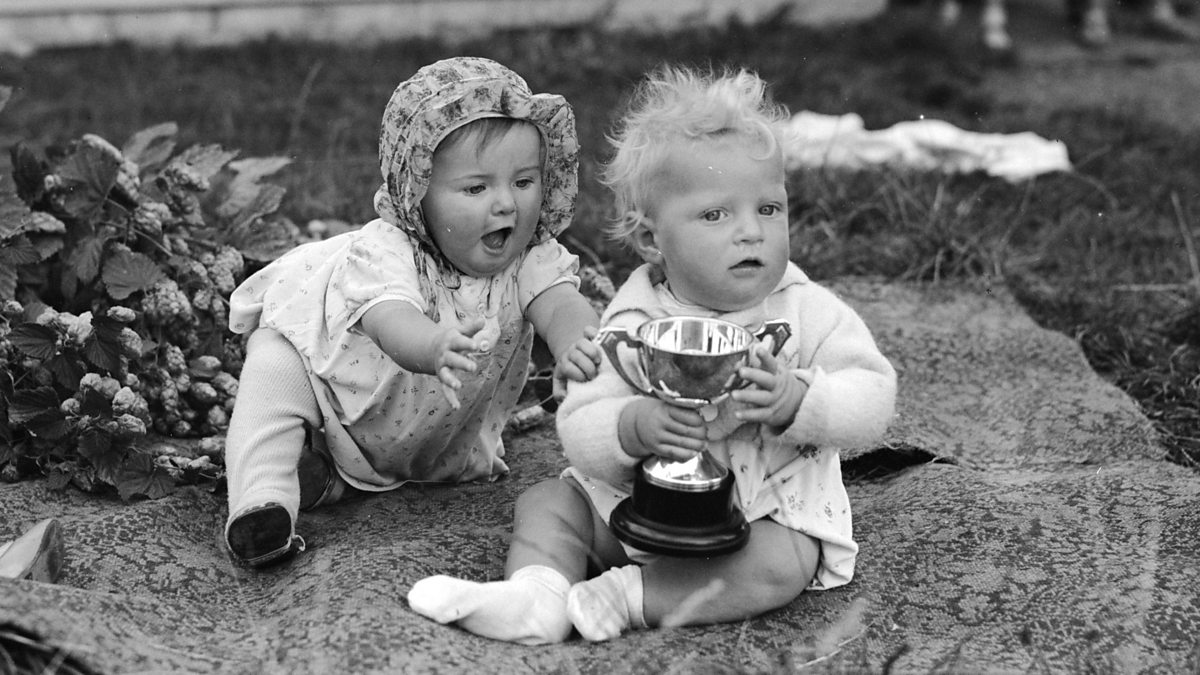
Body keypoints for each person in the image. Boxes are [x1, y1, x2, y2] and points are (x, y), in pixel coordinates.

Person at [407, 65, 898, 644]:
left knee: (784, 564)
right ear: (650, 239)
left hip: (757, 515)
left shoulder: (804, 309)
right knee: (550, 501)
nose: (751, 232)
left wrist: (801, 402)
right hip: (636, 507)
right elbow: (581, 423)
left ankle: (624, 597)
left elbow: (873, 394)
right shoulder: (633, 319)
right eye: (715, 214)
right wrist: (631, 427)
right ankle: (538, 594)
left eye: (769, 208)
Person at [221, 56, 602, 568]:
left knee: (405, 475)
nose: (506, 204)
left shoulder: (529, 258)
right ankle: (263, 502)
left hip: (434, 441)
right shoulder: (389, 250)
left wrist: (579, 346)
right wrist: (434, 344)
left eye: (524, 181)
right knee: (274, 364)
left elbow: (562, 305)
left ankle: (328, 481)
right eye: (476, 188)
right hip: (338, 395)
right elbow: (390, 319)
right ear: (418, 195)